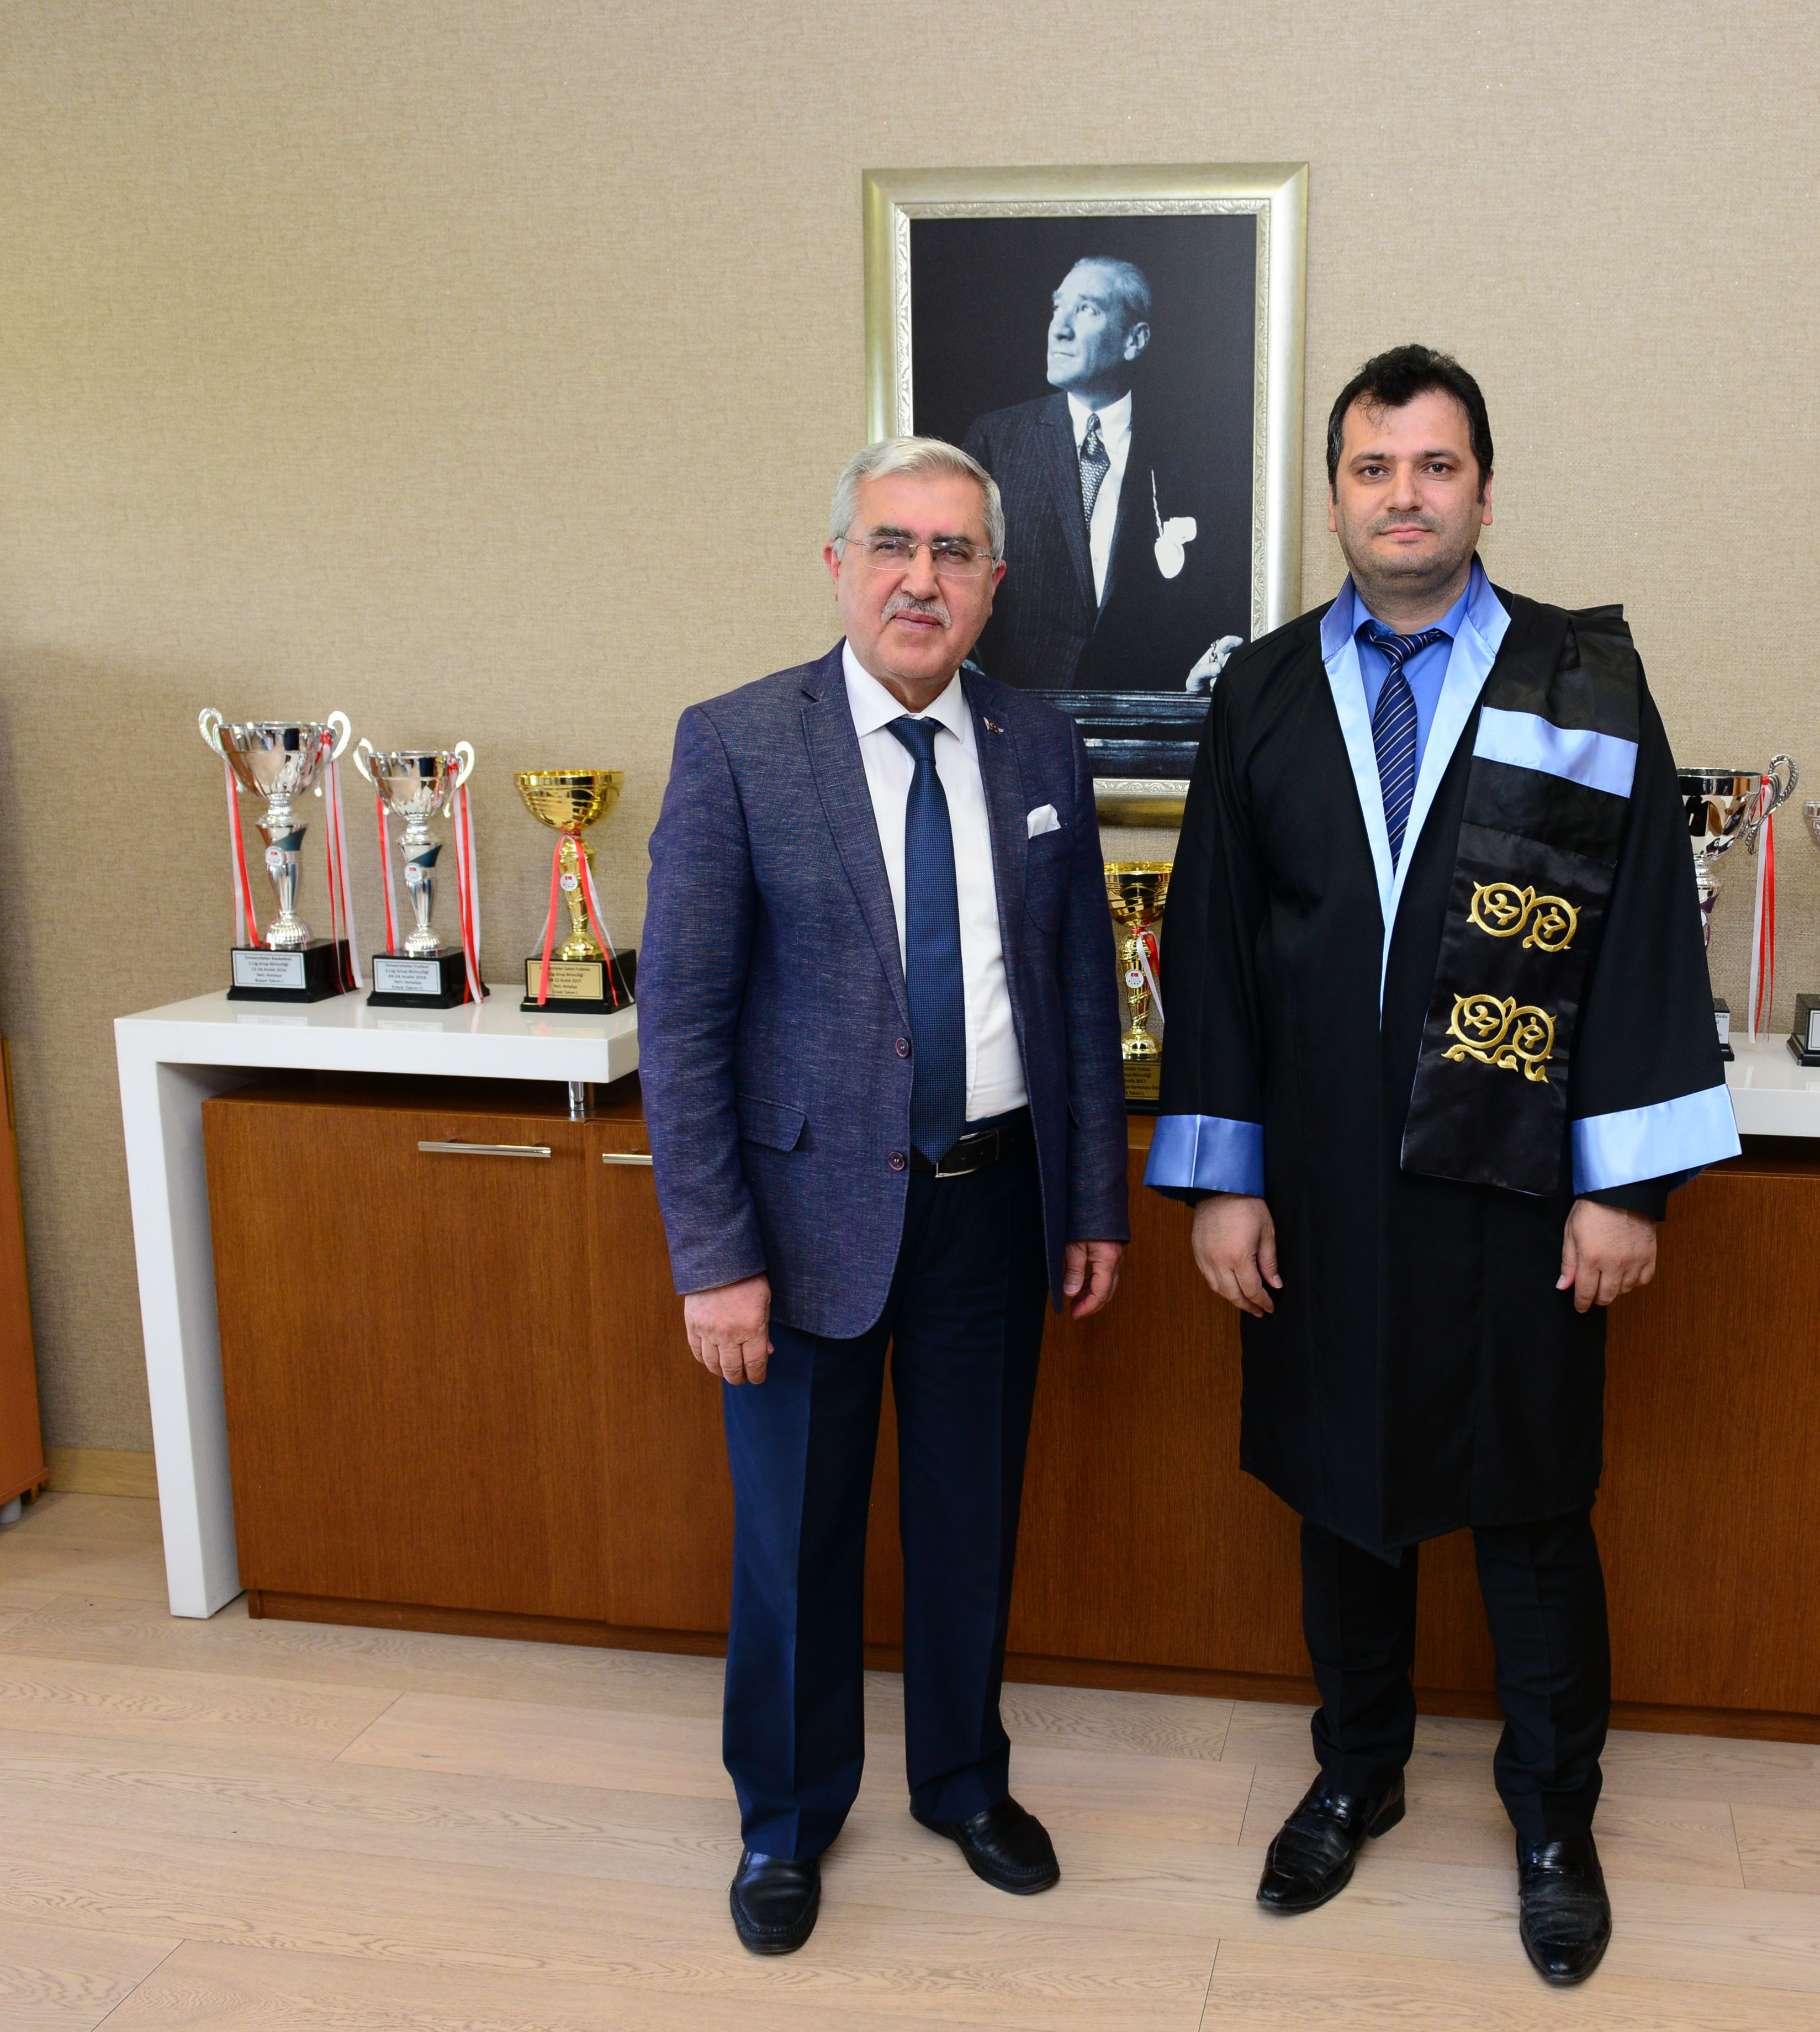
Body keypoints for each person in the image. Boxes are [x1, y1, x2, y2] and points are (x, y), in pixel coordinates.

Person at [1148, 346, 1732, 1987]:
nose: (1401, 495)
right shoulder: (1262, 690)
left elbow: (1639, 942)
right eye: (1371, 467)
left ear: (1483, 486)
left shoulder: (1579, 683)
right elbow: (1215, 944)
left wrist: (1623, 1186)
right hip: (1323, 1182)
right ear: (1334, 494)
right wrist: (1223, 1176)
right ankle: (1357, 1770)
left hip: (1517, 1182)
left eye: (1434, 465)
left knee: (1531, 1504)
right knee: (1346, 1497)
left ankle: (1553, 1818)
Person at [637, 437, 1130, 1958]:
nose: (923, 578)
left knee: (971, 1517)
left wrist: (1092, 1202)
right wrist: (712, 1256)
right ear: (838, 565)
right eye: (893, 545)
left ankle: (963, 1781)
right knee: (796, 1537)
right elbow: (683, 1019)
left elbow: (1078, 991)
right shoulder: (738, 743)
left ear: (993, 581)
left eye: (954, 550)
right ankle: (786, 1820)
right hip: (799, 1224)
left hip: (994, 1201)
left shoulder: (1041, 748)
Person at [961, 257, 1243, 692]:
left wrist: (1200, 669)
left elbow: (1218, 593)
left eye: (1086, 309)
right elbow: (955, 570)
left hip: (1149, 714)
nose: (1059, 329)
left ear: (1135, 340)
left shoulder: (1195, 452)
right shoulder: (997, 441)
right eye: (1058, 307)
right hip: (1015, 715)